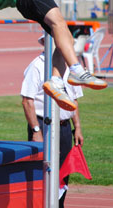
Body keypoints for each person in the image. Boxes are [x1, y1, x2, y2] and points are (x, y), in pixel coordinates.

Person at [21, 35, 83, 207]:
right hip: (43, 125)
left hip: (64, 127)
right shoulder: (37, 66)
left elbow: (74, 99)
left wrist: (77, 127)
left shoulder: (71, 67)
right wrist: (36, 131)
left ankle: (59, 204)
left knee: (63, 171)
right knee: (41, 171)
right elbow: (27, 100)